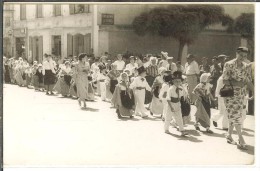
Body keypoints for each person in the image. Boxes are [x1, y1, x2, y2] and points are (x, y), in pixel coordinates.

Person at [222, 47, 253, 150]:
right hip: (230, 94)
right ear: (236, 53)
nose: (242, 58)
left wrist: (255, 92)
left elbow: (248, 81)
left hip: (241, 95)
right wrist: (237, 83)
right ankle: (241, 139)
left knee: (235, 114)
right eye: (241, 55)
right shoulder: (229, 64)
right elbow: (225, 81)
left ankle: (229, 135)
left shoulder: (246, 66)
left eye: (245, 56)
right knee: (235, 115)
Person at [164, 71, 188, 136]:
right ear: (173, 82)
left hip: (177, 104)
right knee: (168, 117)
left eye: (179, 81)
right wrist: (171, 107)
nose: (178, 83)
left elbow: (183, 95)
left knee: (179, 117)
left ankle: (182, 129)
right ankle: (166, 129)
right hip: (171, 104)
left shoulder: (181, 88)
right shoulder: (170, 89)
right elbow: (168, 98)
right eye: (176, 81)